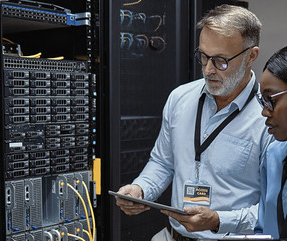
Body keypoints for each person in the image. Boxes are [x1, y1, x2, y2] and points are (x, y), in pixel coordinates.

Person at [115, 4, 274, 240]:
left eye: (220, 60)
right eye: (203, 56)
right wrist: (140, 189)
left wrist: (218, 220)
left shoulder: (270, 119)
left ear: (251, 56)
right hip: (172, 235)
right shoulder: (180, 98)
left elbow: (275, 210)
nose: (208, 69)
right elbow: (162, 162)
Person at [254, 46, 287, 239]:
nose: (264, 112)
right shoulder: (274, 154)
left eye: (270, 99)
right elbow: (264, 231)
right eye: (262, 101)